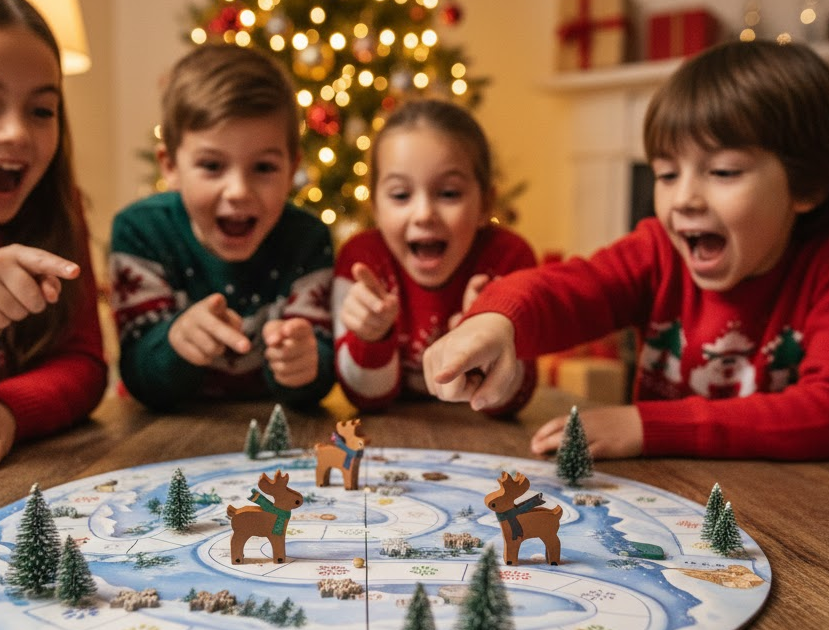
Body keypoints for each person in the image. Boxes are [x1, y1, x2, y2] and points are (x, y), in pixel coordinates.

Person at [423, 40, 829, 461]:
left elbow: (822, 411)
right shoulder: (657, 254)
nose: (684, 198)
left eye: (723, 171)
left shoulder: (819, 272)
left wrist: (645, 425)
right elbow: (572, 287)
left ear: (806, 185)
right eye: (667, 174)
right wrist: (494, 321)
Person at [109, 44, 334, 411]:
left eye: (263, 168)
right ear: (169, 166)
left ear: (293, 169)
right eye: (212, 166)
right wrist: (175, 343)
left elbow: (318, 372)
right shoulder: (141, 232)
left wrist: (305, 364)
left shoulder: (307, 239)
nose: (239, 191)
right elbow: (139, 375)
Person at [333, 98, 537, 414]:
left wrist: (488, 342)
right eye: (401, 195)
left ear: (485, 204)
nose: (424, 214)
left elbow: (513, 399)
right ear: (374, 206)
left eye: (448, 193)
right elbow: (365, 397)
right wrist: (371, 337)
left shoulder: (509, 259)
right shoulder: (362, 262)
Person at [0, 0, 107, 462]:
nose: (16, 133)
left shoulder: (62, 209)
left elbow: (83, 364)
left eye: (42, 110)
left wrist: (8, 412)